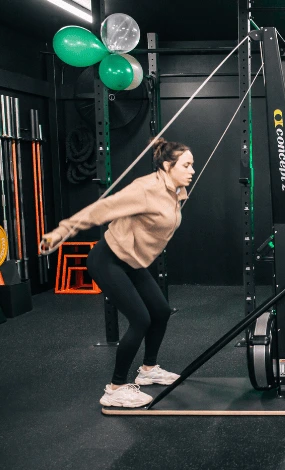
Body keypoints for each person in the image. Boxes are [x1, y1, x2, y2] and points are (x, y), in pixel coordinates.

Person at [40, 138, 195, 408]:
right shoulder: (145, 189)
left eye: (192, 165)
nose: (192, 170)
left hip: (131, 261)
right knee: (141, 319)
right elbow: (102, 209)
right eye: (186, 165)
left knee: (160, 311)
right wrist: (61, 231)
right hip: (107, 259)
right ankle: (116, 388)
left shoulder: (175, 190)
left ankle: (148, 370)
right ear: (167, 166)